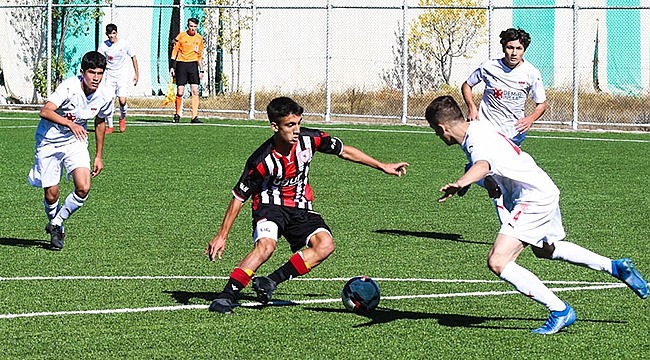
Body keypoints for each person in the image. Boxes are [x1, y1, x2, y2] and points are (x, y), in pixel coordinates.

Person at [425, 95, 648, 335]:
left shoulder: (476, 141)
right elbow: (490, 162)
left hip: (532, 198)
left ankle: (560, 311)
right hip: (543, 188)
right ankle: (614, 267)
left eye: (435, 131)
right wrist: (480, 181)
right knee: (545, 249)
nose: (438, 136)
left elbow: (483, 165)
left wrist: (461, 182)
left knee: (498, 261)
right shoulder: (478, 128)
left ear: (442, 127)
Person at [205, 96, 409, 314]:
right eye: (290, 125)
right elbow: (239, 197)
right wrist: (222, 235)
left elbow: (345, 151)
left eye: (299, 123)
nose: (296, 130)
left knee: (325, 245)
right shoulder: (261, 160)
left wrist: (382, 166)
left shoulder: (311, 139)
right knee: (266, 247)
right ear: (275, 127)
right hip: (269, 206)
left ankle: (271, 281)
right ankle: (227, 295)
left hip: (301, 205)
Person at [460, 27, 548, 222]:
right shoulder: (489, 67)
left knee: (506, 178)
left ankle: (473, 175)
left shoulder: (531, 73)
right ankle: (507, 224)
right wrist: (472, 107)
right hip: (487, 128)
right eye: (510, 47)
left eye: (518, 48)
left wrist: (530, 119)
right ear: (503, 47)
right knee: (498, 181)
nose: (514, 52)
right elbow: (467, 85)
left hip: (513, 133)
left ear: (524, 50)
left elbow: (541, 104)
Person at [27, 51, 113, 250]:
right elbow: (45, 110)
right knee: (51, 194)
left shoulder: (106, 95)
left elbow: (100, 121)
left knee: (83, 187)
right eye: (92, 72)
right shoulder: (69, 87)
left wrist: (99, 155)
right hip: (48, 141)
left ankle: (56, 223)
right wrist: (69, 123)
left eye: (100, 73)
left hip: (76, 142)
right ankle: (57, 226)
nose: (96, 78)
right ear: (82, 72)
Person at [97, 23, 139, 133]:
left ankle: (122, 117)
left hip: (122, 76)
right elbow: (99, 61)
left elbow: (133, 57)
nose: (112, 36)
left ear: (116, 33)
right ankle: (110, 126)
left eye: (114, 33)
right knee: (108, 101)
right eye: (110, 34)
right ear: (107, 34)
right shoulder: (103, 46)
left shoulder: (124, 44)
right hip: (109, 76)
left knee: (122, 100)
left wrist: (136, 74)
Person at [169, 17, 204, 124]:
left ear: (197, 27)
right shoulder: (181, 36)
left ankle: (194, 117)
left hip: (193, 65)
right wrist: (172, 67)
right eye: (190, 26)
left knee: (195, 91)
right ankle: (177, 114)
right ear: (188, 26)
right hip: (181, 65)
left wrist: (201, 70)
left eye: (194, 26)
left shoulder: (199, 39)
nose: (192, 28)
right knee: (180, 91)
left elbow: (199, 56)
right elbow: (174, 52)